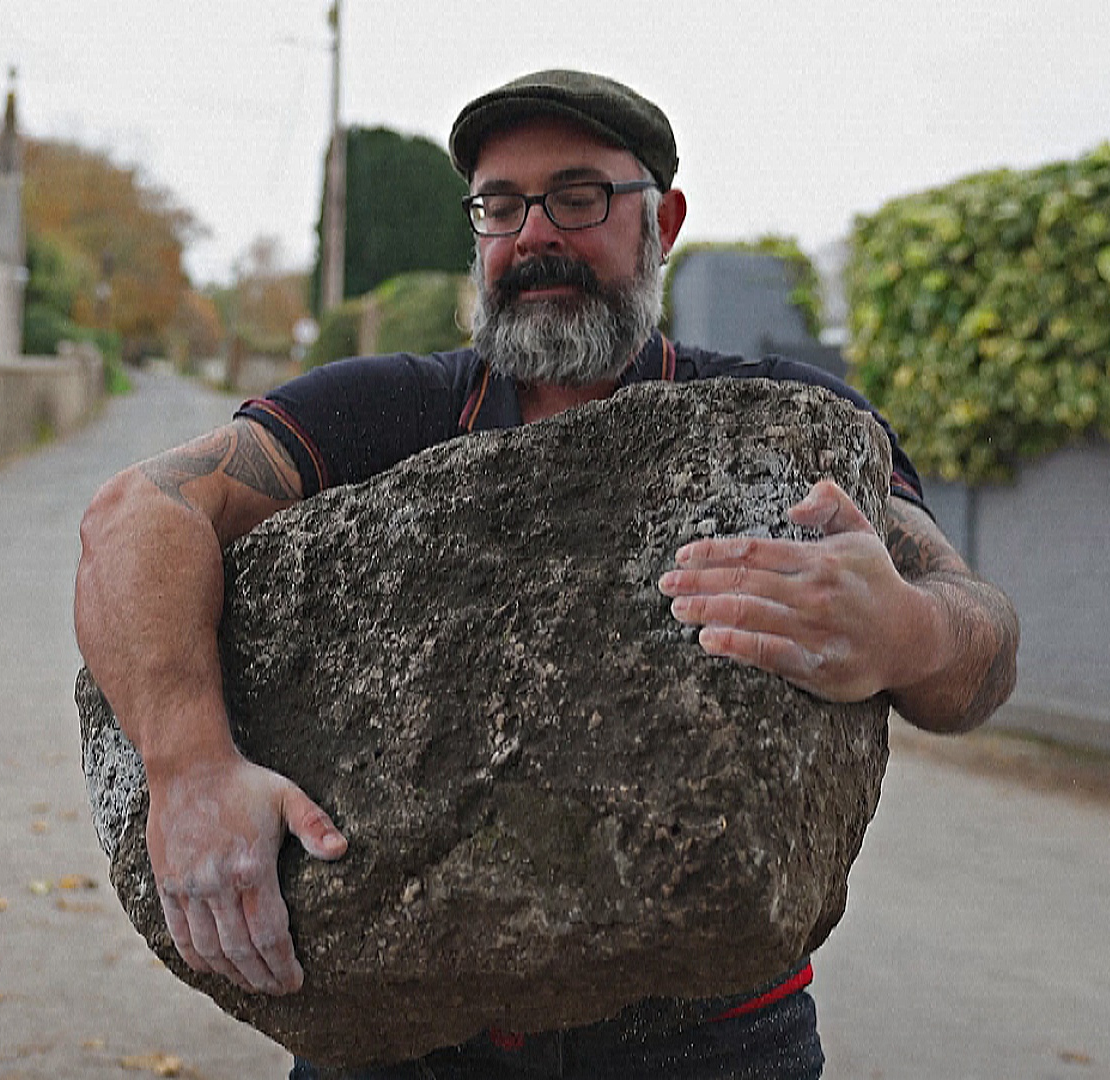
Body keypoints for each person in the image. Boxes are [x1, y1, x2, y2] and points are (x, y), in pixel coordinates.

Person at [74, 69, 1019, 1080]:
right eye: (501, 205)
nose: (535, 236)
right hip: (402, 1038)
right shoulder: (384, 413)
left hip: (712, 1044)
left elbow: (981, 640)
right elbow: (137, 516)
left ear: (666, 219)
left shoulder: (783, 422)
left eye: (579, 198)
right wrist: (187, 768)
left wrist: (905, 633)